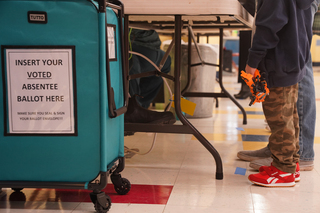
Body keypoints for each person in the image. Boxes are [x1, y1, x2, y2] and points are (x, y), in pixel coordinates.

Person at [238, 0, 319, 173]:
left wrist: (253, 61)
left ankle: (283, 168)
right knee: (290, 117)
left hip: (276, 66)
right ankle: (292, 160)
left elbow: (268, 25)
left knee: (280, 118)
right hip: (291, 62)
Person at [124, 29, 175, 126]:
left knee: (166, 62)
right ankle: (131, 110)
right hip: (130, 40)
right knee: (131, 62)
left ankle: (140, 106)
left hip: (149, 43)